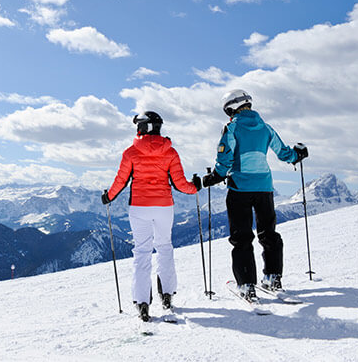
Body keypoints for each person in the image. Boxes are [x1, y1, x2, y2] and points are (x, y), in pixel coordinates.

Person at [201, 89, 308, 302]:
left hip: (240, 189)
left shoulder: (231, 128)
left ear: (230, 108)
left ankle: (247, 286)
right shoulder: (266, 128)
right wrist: (298, 154)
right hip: (264, 188)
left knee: (242, 238)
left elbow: (225, 158)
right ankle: (272, 278)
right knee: (269, 234)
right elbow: (284, 152)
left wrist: (214, 177)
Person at [101, 111, 200, 322]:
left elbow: (121, 180)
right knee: (165, 247)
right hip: (164, 206)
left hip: (139, 207)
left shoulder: (130, 153)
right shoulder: (170, 152)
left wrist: (108, 197)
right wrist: (196, 187)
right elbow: (180, 184)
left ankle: (142, 303)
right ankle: (167, 295)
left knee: (142, 253)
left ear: (142, 128)